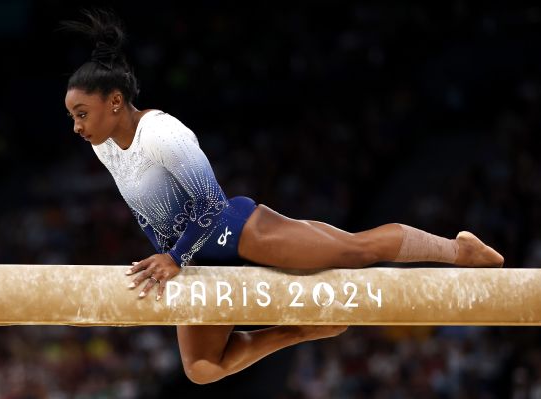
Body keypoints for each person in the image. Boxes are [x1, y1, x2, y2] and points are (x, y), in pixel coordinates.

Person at [60, 9, 504, 384]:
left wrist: (174, 255)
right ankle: (299, 330)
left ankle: (459, 250)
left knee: (355, 249)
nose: (77, 126)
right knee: (201, 367)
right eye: (72, 116)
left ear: (116, 101)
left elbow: (211, 204)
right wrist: (174, 255)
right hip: (194, 259)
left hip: (237, 233)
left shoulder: (162, 133)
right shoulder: (103, 147)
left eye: (82, 114)